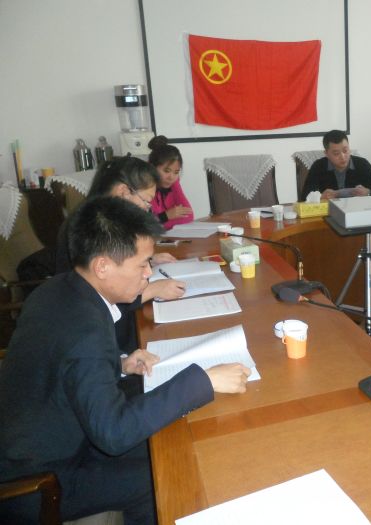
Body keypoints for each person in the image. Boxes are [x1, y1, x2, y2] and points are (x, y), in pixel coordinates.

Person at [0, 197, 251, 524]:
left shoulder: (60, 289)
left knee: (169, 432)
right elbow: (114, 433)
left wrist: (117, 364)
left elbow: (62, 363)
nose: (149, 273)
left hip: (50, 432)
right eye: (142, 264)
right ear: (102, 266)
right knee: (168, 469)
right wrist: (205, 380)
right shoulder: (85, 330)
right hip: (40, 479)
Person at [55, 156, 185, 357]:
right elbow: (100, 296)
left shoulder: (99, 217)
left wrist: (145, 259)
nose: (147, 211)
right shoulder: (94, 228)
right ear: (123, 191)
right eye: (146, 202)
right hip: (107, 339)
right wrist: (153, 289)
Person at [300, 129, 371, 200]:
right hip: (330, 211)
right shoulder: (318, 166)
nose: (343, 157)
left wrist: (368, 192)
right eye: (336, 153)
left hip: (357, 210)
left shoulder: (362, 164)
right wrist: (320, 197)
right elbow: (304, 198)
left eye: (345, 151)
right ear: (326, 154)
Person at [148, 135, 194, 230]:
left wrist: (176, 183)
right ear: (152, 168)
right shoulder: (143, 187)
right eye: (166, 171)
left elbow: (189, 216)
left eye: (176, 172)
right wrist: (166, 216)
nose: (171, 177)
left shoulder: (173, 183)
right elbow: (144, 226)